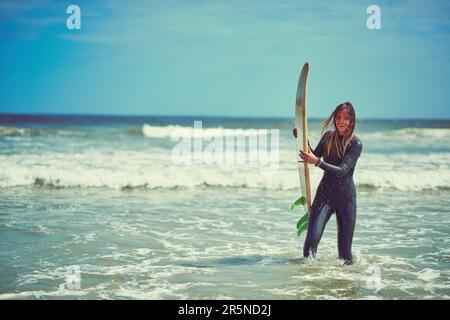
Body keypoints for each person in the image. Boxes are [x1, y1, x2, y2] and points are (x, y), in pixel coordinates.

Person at [293, 102, 363, 265]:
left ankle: (345, 285)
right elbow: (312, 155)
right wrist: (303, 139)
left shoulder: (355, 144)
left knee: (345, 256)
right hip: (325, 195)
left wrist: (317, 162)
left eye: (345, 118)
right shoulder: (328, 138)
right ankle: (307, 281)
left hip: (346, 200)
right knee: (310, 245)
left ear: (351, 121)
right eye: (338, 117)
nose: (340, 121)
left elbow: (342, 170)